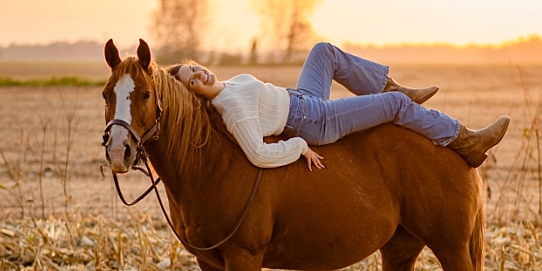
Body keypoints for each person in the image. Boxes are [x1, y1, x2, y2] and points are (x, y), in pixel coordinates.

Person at [167, 42, 509, 170]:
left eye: (194, 68)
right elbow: (257, 153)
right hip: (314, 122)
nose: (199, 74)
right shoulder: (231, 109)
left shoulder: (232, 83)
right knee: (394, 106)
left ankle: (393, 86)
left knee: (323, 51)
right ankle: (466, 140)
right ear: (194, 94)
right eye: (192, 80)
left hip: (302, 98)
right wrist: (298, 146)